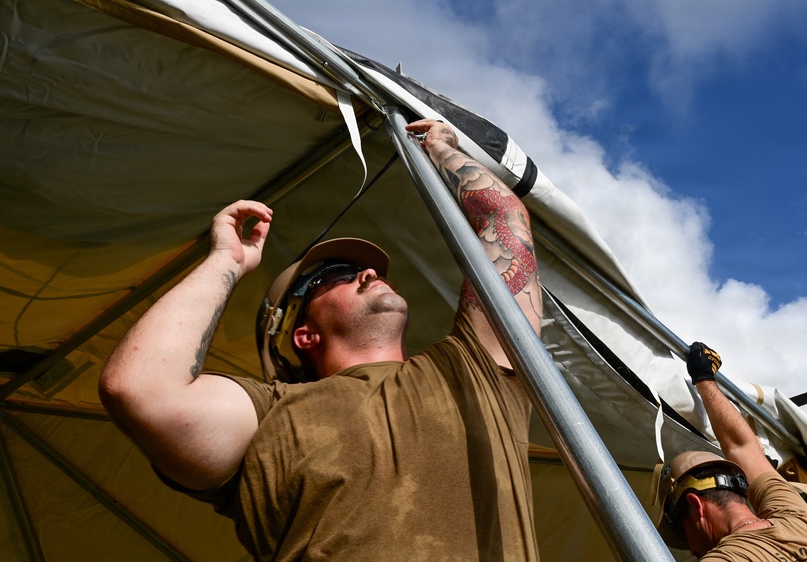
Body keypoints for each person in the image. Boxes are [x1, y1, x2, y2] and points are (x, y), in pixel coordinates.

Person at [99, 119, 543, 561]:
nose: (369, 273)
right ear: (303, 332)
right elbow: (141, 390)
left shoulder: (472, 370)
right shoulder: (267, 416)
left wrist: (441, 148)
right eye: (336, 276)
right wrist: (226, 262)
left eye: (370, 272)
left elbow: (504, 224)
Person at [654, 342, 807, 560]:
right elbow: (743, 448)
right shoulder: (800, 523)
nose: (692, 550)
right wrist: (704, 379)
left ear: (695, 505)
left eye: (683, 533)